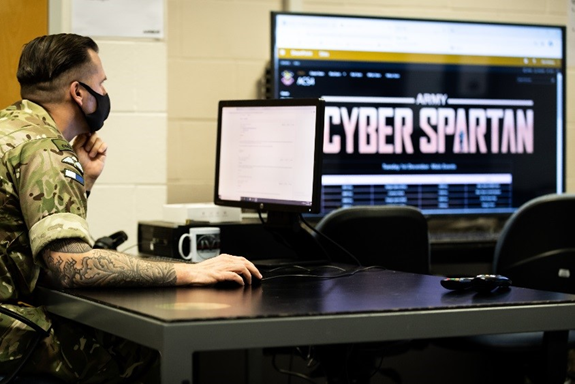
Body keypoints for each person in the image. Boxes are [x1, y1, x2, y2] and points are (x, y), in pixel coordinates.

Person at [0, 33, 262, 383]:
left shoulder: (11, 127)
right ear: (79, 93)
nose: (105, 93)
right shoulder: (44, 149)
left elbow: (19, 233)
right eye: (101, 83)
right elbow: (71, 266)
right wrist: (190, 272)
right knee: (140, 350)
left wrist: (84, 184)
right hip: (6, 335)